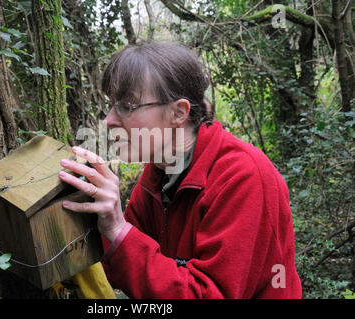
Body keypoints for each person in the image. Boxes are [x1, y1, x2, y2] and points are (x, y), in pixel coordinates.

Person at [57, 42, 302, 298]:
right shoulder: (157, 177)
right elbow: (121, 262)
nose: (109, 120)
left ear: (178, 112)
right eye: (111, 105)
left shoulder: (242, 175)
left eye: (127, 106)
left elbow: (208, 293)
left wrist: (119, 230)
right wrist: (86, 217)